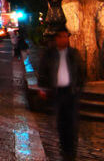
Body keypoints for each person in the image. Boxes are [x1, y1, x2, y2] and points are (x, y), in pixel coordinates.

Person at [38, 26, 85, 161]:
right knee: (61, 122)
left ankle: (71, 151)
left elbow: (82, 72)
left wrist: (78, 88)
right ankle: (64, 148)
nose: (64, 39)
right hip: (57, 93)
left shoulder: (74, 53)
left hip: (71, 93)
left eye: (66, 36)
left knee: (72, 122)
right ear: (56, 38)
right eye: (61, 36)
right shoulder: (49, 54)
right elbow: (43, 71)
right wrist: (42, 88)